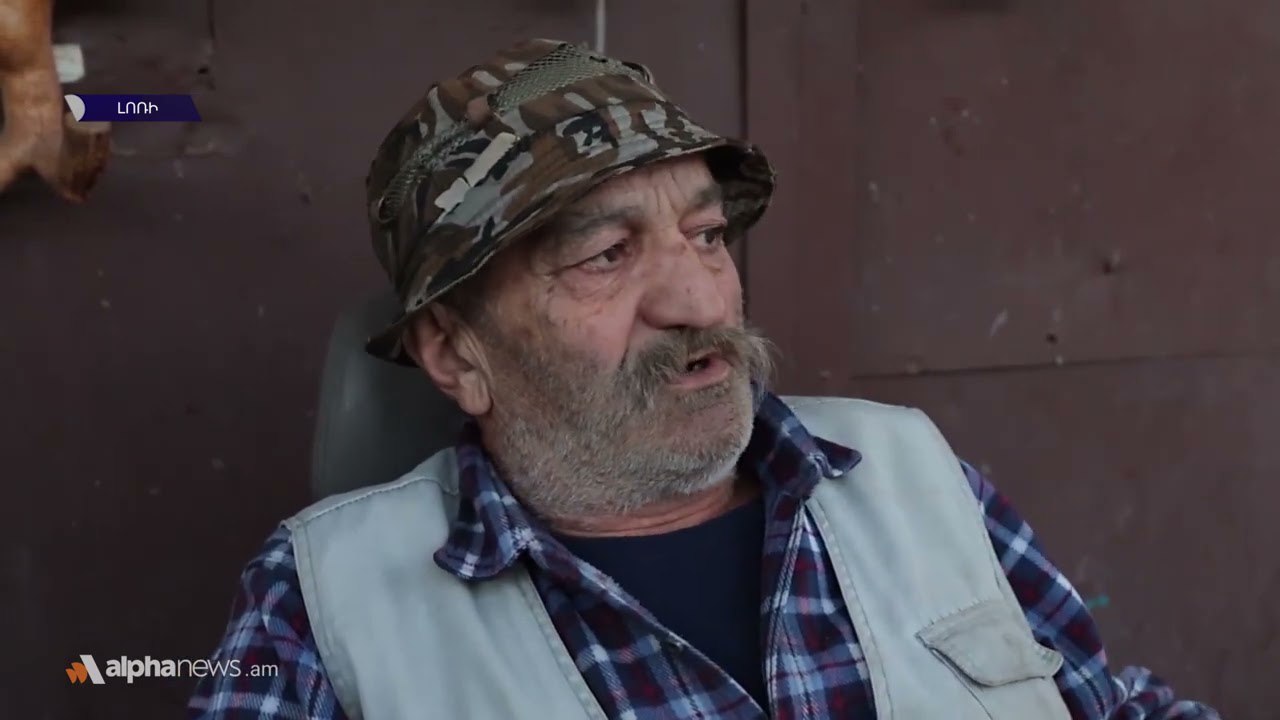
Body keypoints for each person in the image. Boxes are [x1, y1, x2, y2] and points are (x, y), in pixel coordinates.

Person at [188, 39, 1219, 719]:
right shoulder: (326, 602)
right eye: (606, 255)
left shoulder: (913, 476)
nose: (698, 300)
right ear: (456, 353)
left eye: (708, 235)